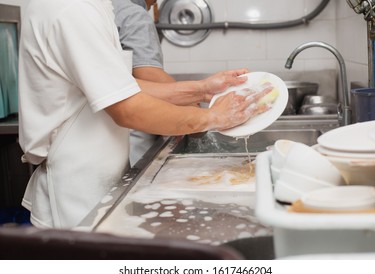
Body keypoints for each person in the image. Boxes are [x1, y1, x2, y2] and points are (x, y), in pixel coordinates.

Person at [18, 0, 272, 229]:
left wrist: (202, 90)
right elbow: (128, 109)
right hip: (76, 195)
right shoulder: (73, 9)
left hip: (99, 182)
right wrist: (215, 117)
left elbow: (116, 87)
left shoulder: (94, 6)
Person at [112, 0, 174, 166]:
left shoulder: (103, 10)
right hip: (132, 145)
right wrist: (199, 112)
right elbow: (149, 75)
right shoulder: (132, 15)